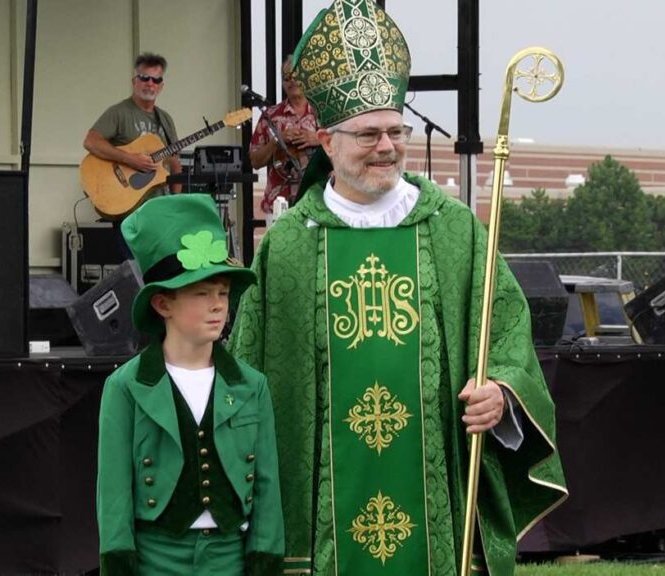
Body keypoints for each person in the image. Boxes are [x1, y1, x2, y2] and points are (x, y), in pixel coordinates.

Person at [229, 2, 566, 575]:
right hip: (325, 508)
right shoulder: (287, 246)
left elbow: (505, 327)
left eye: (395, 131)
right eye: (367, 134)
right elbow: (250, 368)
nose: (386, 146)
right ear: (327, 143)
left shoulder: (453, 229)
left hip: (438, 500)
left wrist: (502, 393)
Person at [97, 194, 284, 576]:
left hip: (229, 561)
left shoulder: (252, 386)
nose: (219, 306)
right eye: (201, 293)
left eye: (223, 293)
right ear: (163, 304)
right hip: (155, 562)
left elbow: (267, 491)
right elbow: (113, 497)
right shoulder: (126, 387)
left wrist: (264, 562)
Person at [84, 52, 183, 198]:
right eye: (145, 78)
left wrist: (176, 199)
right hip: (127, 202)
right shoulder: (119, 112)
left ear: (161, 86)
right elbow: (91, 142)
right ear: (134, 81)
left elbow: (174, 163)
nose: (150, 83)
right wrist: (130, 159)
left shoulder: (165, 119)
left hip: (159, 202)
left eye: (156, 80)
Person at [248, 55, 319, 217]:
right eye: (287, 77)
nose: (292, 81)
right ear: (282, 83)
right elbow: (255, 161)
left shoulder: (321, 112)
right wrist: (277, 141)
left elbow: (342, 148)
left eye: (296, 76)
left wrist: (316, 138)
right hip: (278, 204)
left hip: (316, 202)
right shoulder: (270, 116)